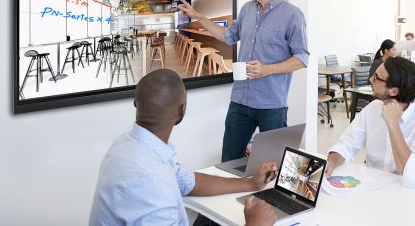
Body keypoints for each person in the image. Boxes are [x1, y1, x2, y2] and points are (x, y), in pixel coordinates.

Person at [89, 69, 278, 226]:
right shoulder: (151, 183)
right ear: (182, 111)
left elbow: (185, 180)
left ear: (135, 103)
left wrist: (251, 183)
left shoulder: (127, 144)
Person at [178, 0, 309, 162]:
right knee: (229, 162)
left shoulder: (292, 15)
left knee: (271, 166)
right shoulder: (247, 10)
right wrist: (198, 16)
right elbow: (227, 36)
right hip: (240, 101)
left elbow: (302, 58)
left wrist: (267, 69)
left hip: (272, 105)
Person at [326, 57, 415, 188]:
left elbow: (412, 177)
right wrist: (333, 160)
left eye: (376, 77)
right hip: (376, 187)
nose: (370, 79)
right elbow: (347, 144)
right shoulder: (373, 108)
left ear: (393, 91)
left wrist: (393, 123)